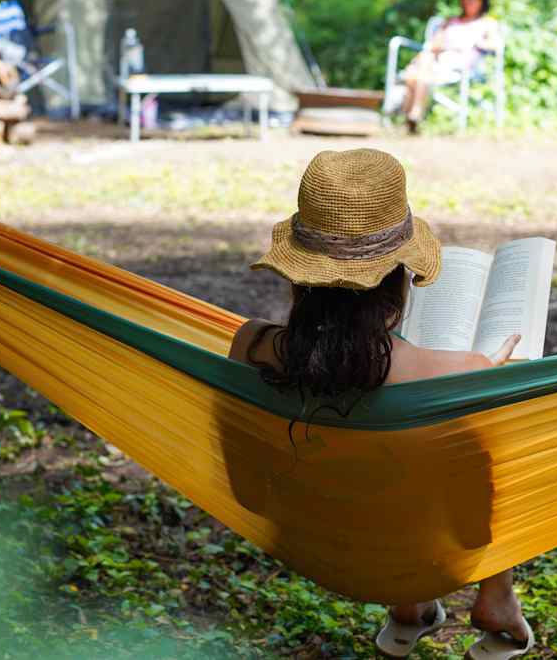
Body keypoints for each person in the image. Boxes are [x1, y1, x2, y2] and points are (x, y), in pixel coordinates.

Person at [228, 148, 535, 659]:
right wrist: (487, 381)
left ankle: (410, 606)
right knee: (493, 443)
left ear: (300, 277)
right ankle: (496, 597)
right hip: (433, 556)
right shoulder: (460, 376)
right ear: (400, 279)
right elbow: (474, 520)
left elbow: (247, 492)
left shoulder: (249, 347)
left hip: (314, 546)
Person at [400, 0, 502, 134]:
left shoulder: (487, 23)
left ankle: (409, 113)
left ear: (482, 0)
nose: (468, 1)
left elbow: (495, 45)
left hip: (466, 64)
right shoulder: (450, 22)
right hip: (439, 62)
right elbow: (434, 44)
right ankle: (415, 114)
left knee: (416, 72)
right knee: (424, 62)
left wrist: (475, 43)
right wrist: (446, 46)